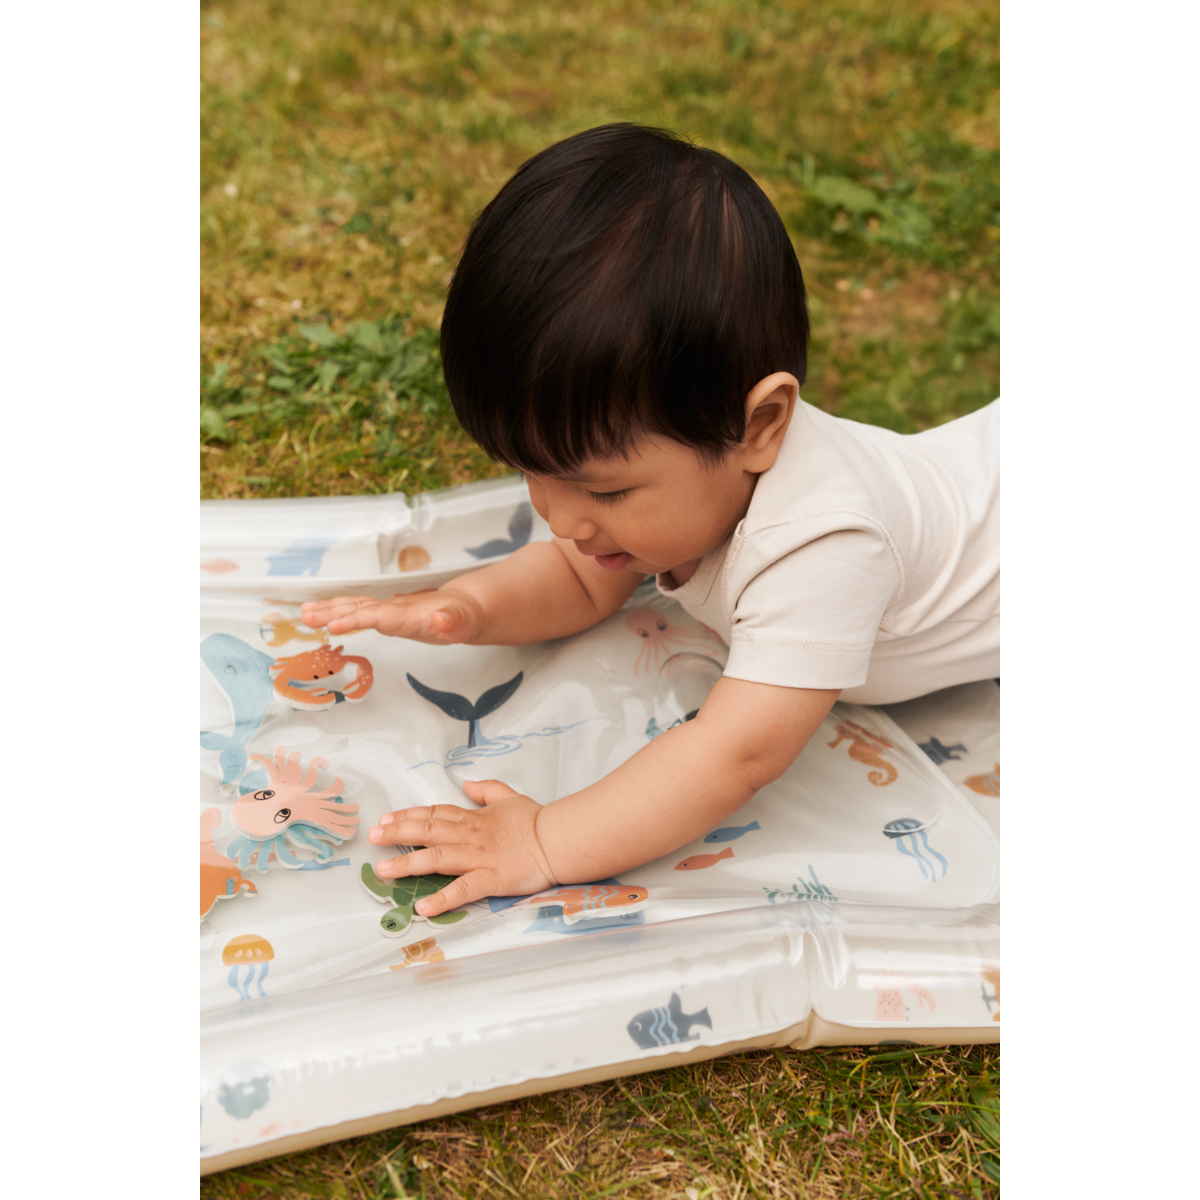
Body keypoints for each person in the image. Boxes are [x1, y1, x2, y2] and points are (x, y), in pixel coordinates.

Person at [301, 124, 999, 919]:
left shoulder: (825, 547)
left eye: (602, 493)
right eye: (532, 472)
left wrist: (542, 842)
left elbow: (733, 753)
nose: (559, 517)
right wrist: (470, 608)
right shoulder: (686, 482)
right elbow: (580, 576)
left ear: (761, 426)